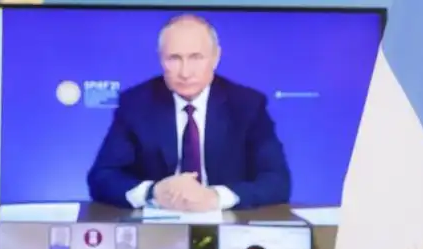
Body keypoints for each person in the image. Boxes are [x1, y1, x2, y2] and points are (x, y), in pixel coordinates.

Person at [87, 14, 291, 212]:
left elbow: (277, 180)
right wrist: (154, 192)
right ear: (161, 59)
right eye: (174, 58)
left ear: (216, 57)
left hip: (226, 224)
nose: (185, 72)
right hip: (160, 224)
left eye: (196, 57)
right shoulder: (136, 104)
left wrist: (215, 197)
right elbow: (102, 177)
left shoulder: (247, 105)